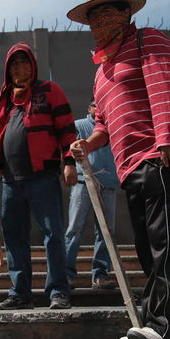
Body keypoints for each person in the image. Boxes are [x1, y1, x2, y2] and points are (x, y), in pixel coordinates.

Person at [68, 0, 170, 339]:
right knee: (148, 249)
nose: (99, 22)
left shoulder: (148, 41)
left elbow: (166, 86)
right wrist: (88, 143)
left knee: (167, 246)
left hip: (163, 156)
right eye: (93, 16)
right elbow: (104, 124)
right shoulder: (102, 69)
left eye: (108, 13)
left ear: (127, 14)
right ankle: (152, 324)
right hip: (129, 167)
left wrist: (169, 134)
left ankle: (167, 330)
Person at [0, 43, 77, 310]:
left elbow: (67, 130)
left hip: (43, 177)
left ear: (32, 66)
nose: (19, 69)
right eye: (14, 64)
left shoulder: (50, 91)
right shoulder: (0, 100)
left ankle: (58, 291)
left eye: (24, 63)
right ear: (7, 70)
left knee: (53, 235)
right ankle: (20, 293)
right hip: (11, 181)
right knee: (14, 237)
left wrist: (69, 162)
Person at [63, 100, 119, 290]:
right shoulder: (79, 125)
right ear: (89, 108)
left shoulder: (114, 127)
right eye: (95, 105)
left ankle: (100, 274)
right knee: (74, 227)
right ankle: (66, 273)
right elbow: (66, 147)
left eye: (103, 105)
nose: (99, 109)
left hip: (109, 182)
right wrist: (68, 166)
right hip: (83, 181)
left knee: (106, 231)